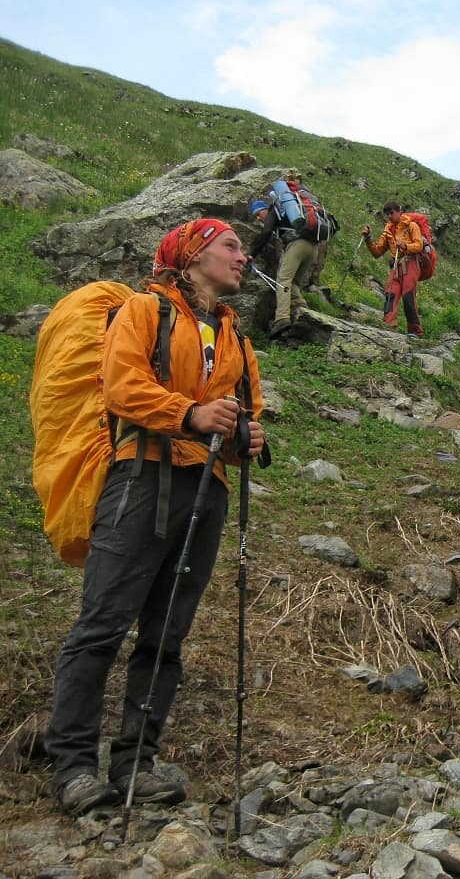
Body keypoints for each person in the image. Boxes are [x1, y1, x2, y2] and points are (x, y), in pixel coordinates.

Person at [45, 219, 265, 817]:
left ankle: (135, 764)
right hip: (142, 477)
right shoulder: (145, 311)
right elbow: (120, 387)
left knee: (166, 632)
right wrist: (191, 414)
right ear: (193, 255)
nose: (243, 257)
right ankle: (71, 767)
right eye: (231, 247)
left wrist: (248, 434)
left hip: (206, 486)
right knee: (104, 622)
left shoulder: (233, 332)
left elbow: (248, 406)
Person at [248, 196, 324, 338]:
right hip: (313, 248)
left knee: (282, 280)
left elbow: (266, 233)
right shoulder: (288, 212)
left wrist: (252, 254)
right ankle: (302, 311)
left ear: (265, 209)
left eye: (258, 213)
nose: (258, 218)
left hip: (297, 245)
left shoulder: (273, 211)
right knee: (293, 282)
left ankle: (281, 318)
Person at [362, 201, 425, 337]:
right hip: (396, 266)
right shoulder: (388, 230)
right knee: (390, 294)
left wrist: (406, 246)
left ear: (399, 211)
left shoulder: (411, 225)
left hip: (411, 263)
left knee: (408, 296)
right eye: (387, 214)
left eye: (392, 213)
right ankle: (389, 325)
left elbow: (419, 245)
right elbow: (377, 252)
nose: (389, 216)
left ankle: (415, 331)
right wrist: (368, 239)